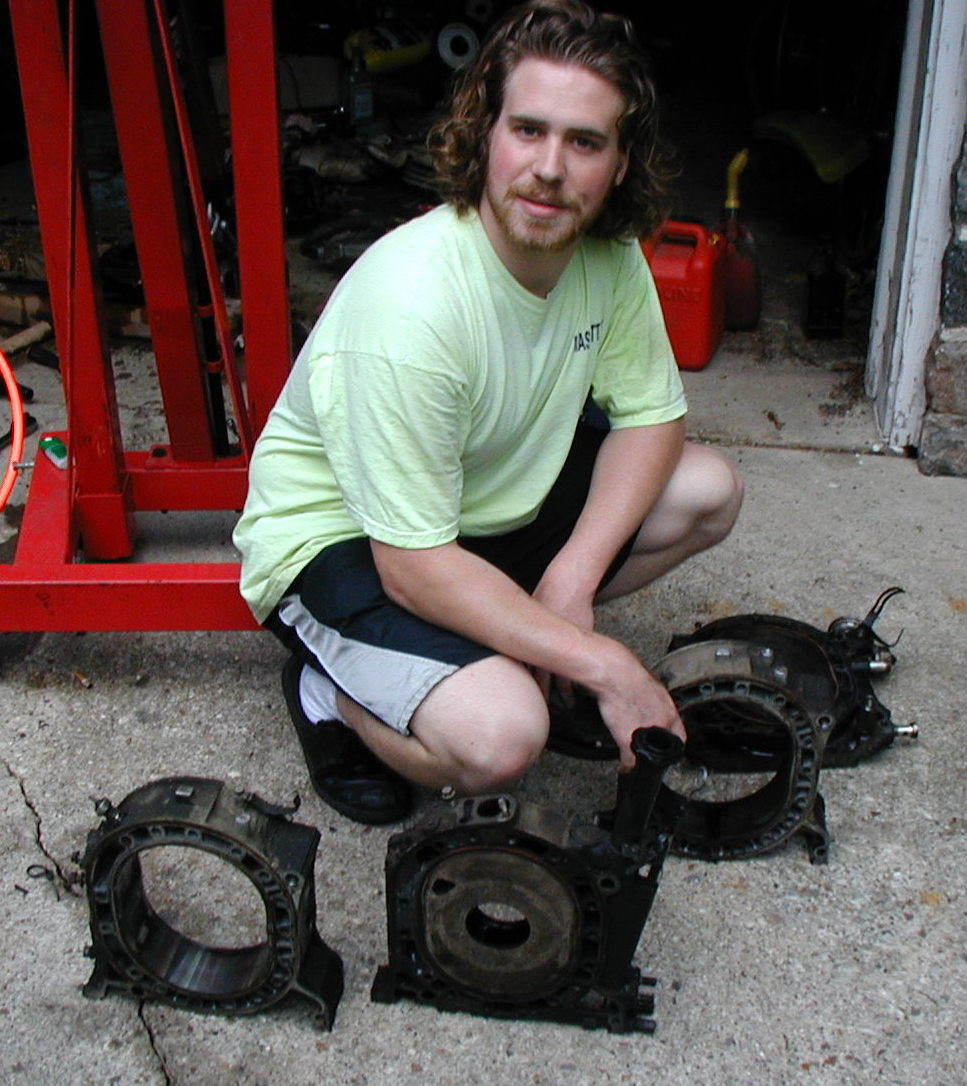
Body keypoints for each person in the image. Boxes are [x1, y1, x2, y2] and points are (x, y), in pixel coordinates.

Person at [233, 0, 743, 825]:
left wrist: (571, 583)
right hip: (343, 541)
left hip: (470, 512)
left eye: (584, 142)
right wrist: (603, 664)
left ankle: (495, 637)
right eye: (528, 130)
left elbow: (651, 417)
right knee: (501, 738)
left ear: (619, 164)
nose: (549, 168)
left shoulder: (608, 257)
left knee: (706, 490)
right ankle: (333, 693)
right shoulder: (413, 306)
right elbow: (411, 566)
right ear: (486, 135)